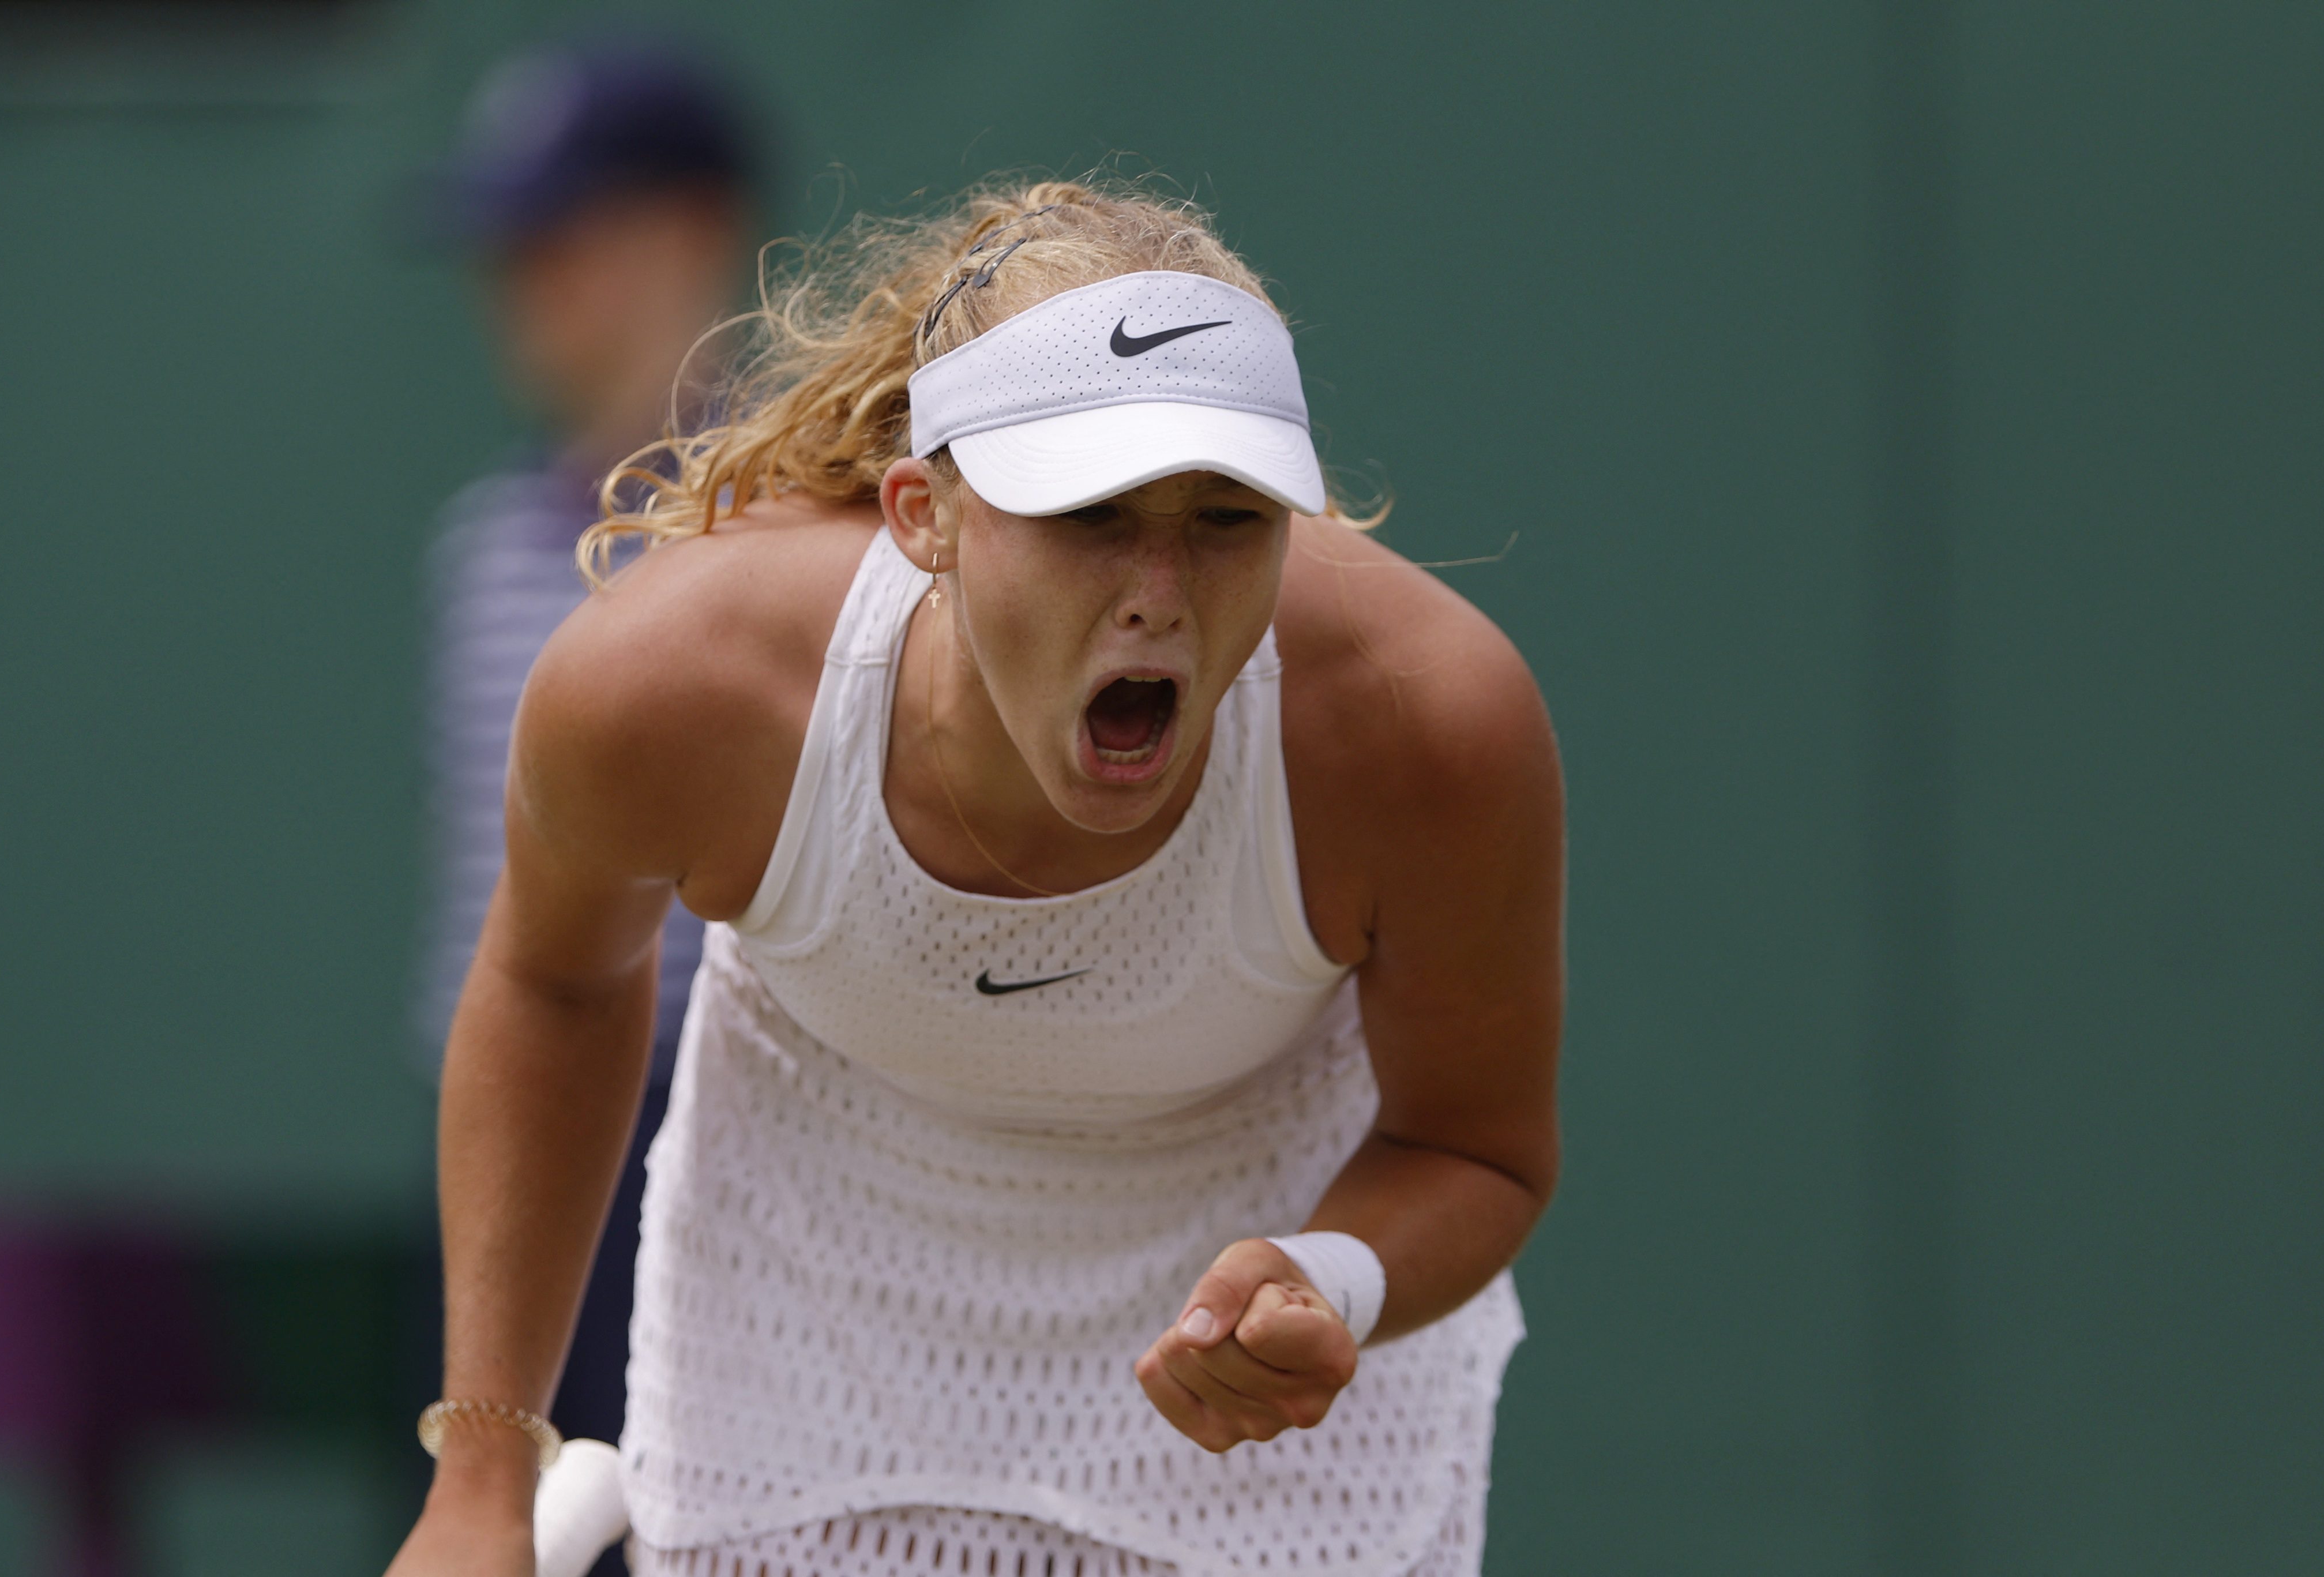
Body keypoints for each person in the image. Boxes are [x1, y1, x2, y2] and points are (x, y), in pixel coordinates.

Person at [389, 178, 1564, 1577]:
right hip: (804, 1376)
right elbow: (556, 980)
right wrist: (479, 1474)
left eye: (1227, 519)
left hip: (1267, 1434)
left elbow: (1476, 1145)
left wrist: (1333, 1279)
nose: (1159, 594)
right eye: (1088, 515)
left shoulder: (1426, 724)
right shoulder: (678, 682)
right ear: (922, 513)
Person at [415, 36, 761, 1475]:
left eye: (561, 238)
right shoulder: (481, 546)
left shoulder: (802, 528)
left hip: (744, 1146)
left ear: (692, 230)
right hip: (518, 1150)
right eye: (508, 248)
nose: (522, 285)